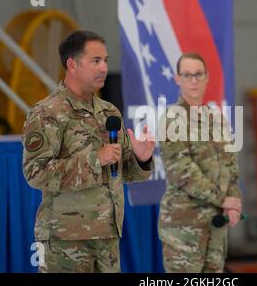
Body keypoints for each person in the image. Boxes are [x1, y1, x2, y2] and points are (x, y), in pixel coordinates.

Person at [22, 30, 155, 273]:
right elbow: (36, 173)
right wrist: (95, 160)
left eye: (105, 60)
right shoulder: (47, 113)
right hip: (66, 241)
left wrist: (141, 159)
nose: (103, 68)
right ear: (72, 64)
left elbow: (121, 173)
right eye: (96, 61)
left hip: (107, 237)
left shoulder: (109, 112)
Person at [158, 52, 242, 272]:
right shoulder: (172, 119)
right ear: (178, 79)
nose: (193, 80)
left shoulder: (216, 119)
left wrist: (233, 200)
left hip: (215, 226)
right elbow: (182, 171)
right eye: (187, 75)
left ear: (207, 77)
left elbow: (231, 165)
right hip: (184, 227)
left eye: (198, 74)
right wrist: (222, 199)